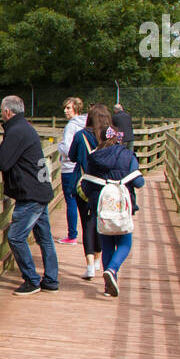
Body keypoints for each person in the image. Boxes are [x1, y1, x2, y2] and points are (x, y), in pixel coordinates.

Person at [0, 95, 58, 296]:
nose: (1, 114)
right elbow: (11, 159)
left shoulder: (16, 131)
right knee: (45, 238)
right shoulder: (26, 128)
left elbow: (5, 161)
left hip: (30, 195)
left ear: (7, 112)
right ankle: (51, 280)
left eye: (1, 111)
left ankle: (32, 281)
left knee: (16, 237)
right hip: (41, 190)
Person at [83, 125, 144, 298]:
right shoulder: (127, 155)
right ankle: (112, 269)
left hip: (101, 209)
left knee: (107, 244)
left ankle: (108, 286)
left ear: (100, 138)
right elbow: (139, 183)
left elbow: (87, 184)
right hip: (122, 209)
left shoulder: (94, 157)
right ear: (119, 138)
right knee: (125, 243)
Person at [71, 103, 111, 280]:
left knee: (87, 223)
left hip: (84, 185)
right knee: (100, 223)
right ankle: (97, 259)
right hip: (105, 187)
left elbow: (72, 156)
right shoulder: (111, 137)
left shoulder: (81, 136)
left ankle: (89, 266)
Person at [56, 97, 87, 244]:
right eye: (65, 108)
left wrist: (59, 146)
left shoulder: (71, 126)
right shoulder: (86, 123)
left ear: (76, 108)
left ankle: (72, 235)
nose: (65, 111)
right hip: (83, 167)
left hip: (69, 168)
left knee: (71, 201)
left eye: (68, 108)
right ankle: (88, 234)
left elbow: (67, 149)